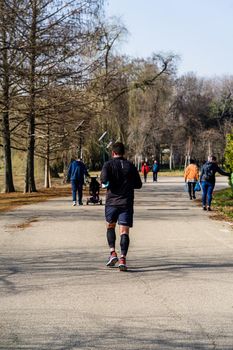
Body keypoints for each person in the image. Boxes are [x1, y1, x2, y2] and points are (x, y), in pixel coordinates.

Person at [100, 142, 142, 271]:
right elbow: (138, 184)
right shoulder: (130, 166)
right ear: (124, 153)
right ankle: (123, 258)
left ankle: (113, 253)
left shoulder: (108, 165)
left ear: (113, 153)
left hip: (112, 202)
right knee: (124, 231)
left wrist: (109, 183)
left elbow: (103, 181)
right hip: (126, 203)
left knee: (110, 226)